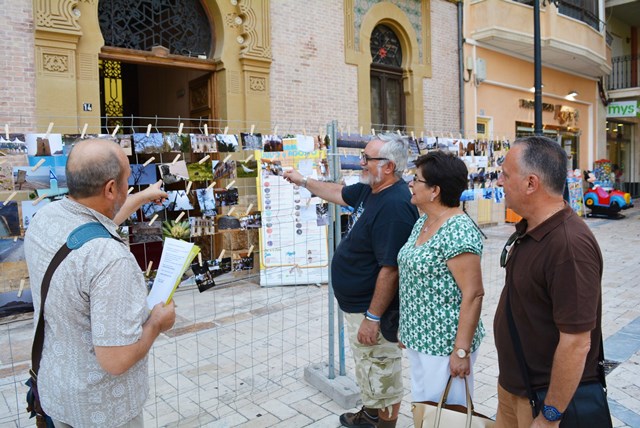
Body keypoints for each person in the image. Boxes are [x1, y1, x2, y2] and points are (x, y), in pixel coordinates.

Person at [24, 139, 176, 428]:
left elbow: (97, 224)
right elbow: (115, 360)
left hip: (55, 392)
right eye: (126, 182)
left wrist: (144, 196)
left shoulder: (47, 216)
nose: (128, 187)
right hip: (103, 410)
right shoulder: (110, 259)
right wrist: (157, 322)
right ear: (109, 189)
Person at [283, 133, 418, 428]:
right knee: (368, 366)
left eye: (367, 158)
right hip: (358, 305)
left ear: (389, 166)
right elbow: (337, 192)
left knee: (383, 374)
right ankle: (370, 415)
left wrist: (372, 317)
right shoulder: (372, 190)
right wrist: (303, 181)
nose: (361, 163)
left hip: (374, 311)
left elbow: (390, 269)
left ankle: (384, 424)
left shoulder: (395, 206)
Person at [493, 136, 604, 427]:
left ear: (531, 183)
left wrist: (550, 415)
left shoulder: (569, 246)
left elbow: (577, 342)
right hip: (516, 389)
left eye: (505, 175)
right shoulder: (532, 227)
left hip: (543, 400)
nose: (499, 182)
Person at [397, 151, 485, 406]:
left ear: (435, 190)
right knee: (426, 409)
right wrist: (408, 328)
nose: (410, 184)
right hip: (421, 339)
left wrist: (460, 351)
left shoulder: (457, 230)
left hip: (444, 345)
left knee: (447, 414)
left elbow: (474, 293)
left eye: (416, 179)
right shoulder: (425, 221)